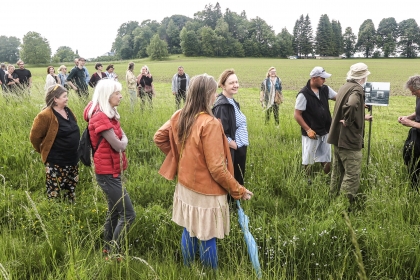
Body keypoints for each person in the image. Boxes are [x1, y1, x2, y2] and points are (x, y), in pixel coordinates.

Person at [154, 74, 254, 269]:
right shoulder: (210, 123)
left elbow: (159, 138)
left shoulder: (180, 114)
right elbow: (217, 169)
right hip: (207, 191)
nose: (216, 94)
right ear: (208, 94)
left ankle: (187, 269)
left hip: (185, 185)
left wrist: (182, 159)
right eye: (214, 91)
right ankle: (210, 274)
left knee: (189, 228)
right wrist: (239, 191)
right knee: (208, 235)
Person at [83, 79, 136, 256]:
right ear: (107, 95)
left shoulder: (109, 113)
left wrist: (122, 140)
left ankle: (106, 249)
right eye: (117, 93)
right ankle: (114, 252)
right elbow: (119, 145)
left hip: (112, 170)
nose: (121, 96)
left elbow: (120, 138)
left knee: (114, 213)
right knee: (128, 215)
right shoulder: (100, 116)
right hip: (107, 174)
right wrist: (124, 141)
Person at [328, 63, 372, 205]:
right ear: (363, 77)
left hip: (337, 137)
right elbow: (352, 104)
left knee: (337, 171)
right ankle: (342, 207)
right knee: (352, 175)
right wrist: (348, 120)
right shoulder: (357, 89)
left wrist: (360, 112)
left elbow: (349, 105)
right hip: (349, 139)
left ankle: (332, 199)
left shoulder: (344, 86)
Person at [30, 85, 80, 202]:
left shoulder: (68, 111)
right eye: (64, 96)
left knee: (71, 188)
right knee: (54, 191)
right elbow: (35, 137)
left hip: (73, 158)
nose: (67, 98)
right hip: (56, 161)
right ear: (55, 99)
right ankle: (54, 213)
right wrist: (44, 150)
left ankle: (70, 209)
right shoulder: (45, 115)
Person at [213, 69, 249, 203]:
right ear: (222, 85)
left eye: (236, 82)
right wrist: (231, 143)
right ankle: (231, 207)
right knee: (233, 178)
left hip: (239, 147)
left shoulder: (232, 102)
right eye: (231, 83)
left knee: (239, 177)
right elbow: (218, 130)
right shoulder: (222, 106)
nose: (235, 85)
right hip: (233, 149)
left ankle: (236, 204)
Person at [294, 66, 337, 177]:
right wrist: (308, 130)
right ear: (314, 78)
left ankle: (327, 178)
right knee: (308, 158)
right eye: (322, 78)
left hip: (326, 130)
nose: (324, 80)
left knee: (326, 156)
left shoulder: (325, 89)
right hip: (311, 133)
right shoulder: (303, 94)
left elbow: (338, 97)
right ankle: (307, 180)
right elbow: (297, 115)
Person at [398, 75, 420, 189]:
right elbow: (418, 112)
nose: (412, 94)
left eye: (414, 91)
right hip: (416, 134)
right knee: (409, 157)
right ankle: (414, 186)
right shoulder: (419, 96)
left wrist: (411, 123)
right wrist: (408, 117)